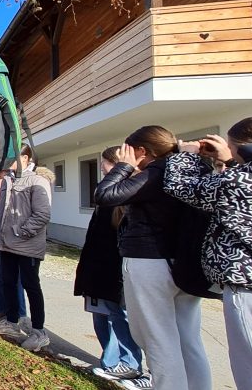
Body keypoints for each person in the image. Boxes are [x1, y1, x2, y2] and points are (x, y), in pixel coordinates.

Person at [94, 125, 211, 390]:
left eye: (129, 151)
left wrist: (123, 167)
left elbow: (105, 195)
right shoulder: (193, 169)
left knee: (157, 337)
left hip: (150, 261)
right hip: (185, 262)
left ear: (142, 151)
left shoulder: (155, 173)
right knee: (189, 339)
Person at [164, 115, 252, 390]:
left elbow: (180, 187)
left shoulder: (237, 181)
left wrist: (185, 155)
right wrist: (231, 161)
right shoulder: (250, 177)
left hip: (251, 285)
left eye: (231, 146)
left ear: (245, 147)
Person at [74, 146, 144, 381]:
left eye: (103, 162)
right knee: (102, 314)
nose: (101, 167)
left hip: (114, 267)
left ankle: (127, 362)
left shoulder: (126, 193)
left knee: (118, 316)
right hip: (99, 264)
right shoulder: (109, 193)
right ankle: (111, 361)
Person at [0, 147, 54, 352]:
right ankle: (12, 322)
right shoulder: (8, 180)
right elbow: (2, 211)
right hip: (6, 243)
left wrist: (21, 232)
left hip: (27, 245)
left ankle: (39, 332)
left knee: (31, 286)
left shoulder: (38, 181)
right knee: (8, 282)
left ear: (25, 158)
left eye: (12, 157)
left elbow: (42, 215)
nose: (8, 162)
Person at [0, 170, 26, 324]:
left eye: (0, 177)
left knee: (15, 277)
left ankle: (19, 314)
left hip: (12, 237)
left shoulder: (19, 187)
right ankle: (1, 309)